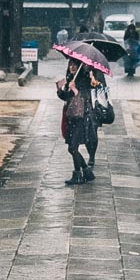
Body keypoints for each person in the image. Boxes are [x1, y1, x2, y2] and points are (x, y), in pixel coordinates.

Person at [56, 57, 99, 185]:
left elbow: (84, 97)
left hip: (80, 118)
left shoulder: (84, 79)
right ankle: (81, 173)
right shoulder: (71, 79)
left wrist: (74, 89)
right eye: (70, 65)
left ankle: (84, 172)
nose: (72, 67)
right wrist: (60, 90)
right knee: (72, 147)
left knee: (72, 148)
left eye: (75, 65)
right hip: (71, 117)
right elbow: (66, 97)